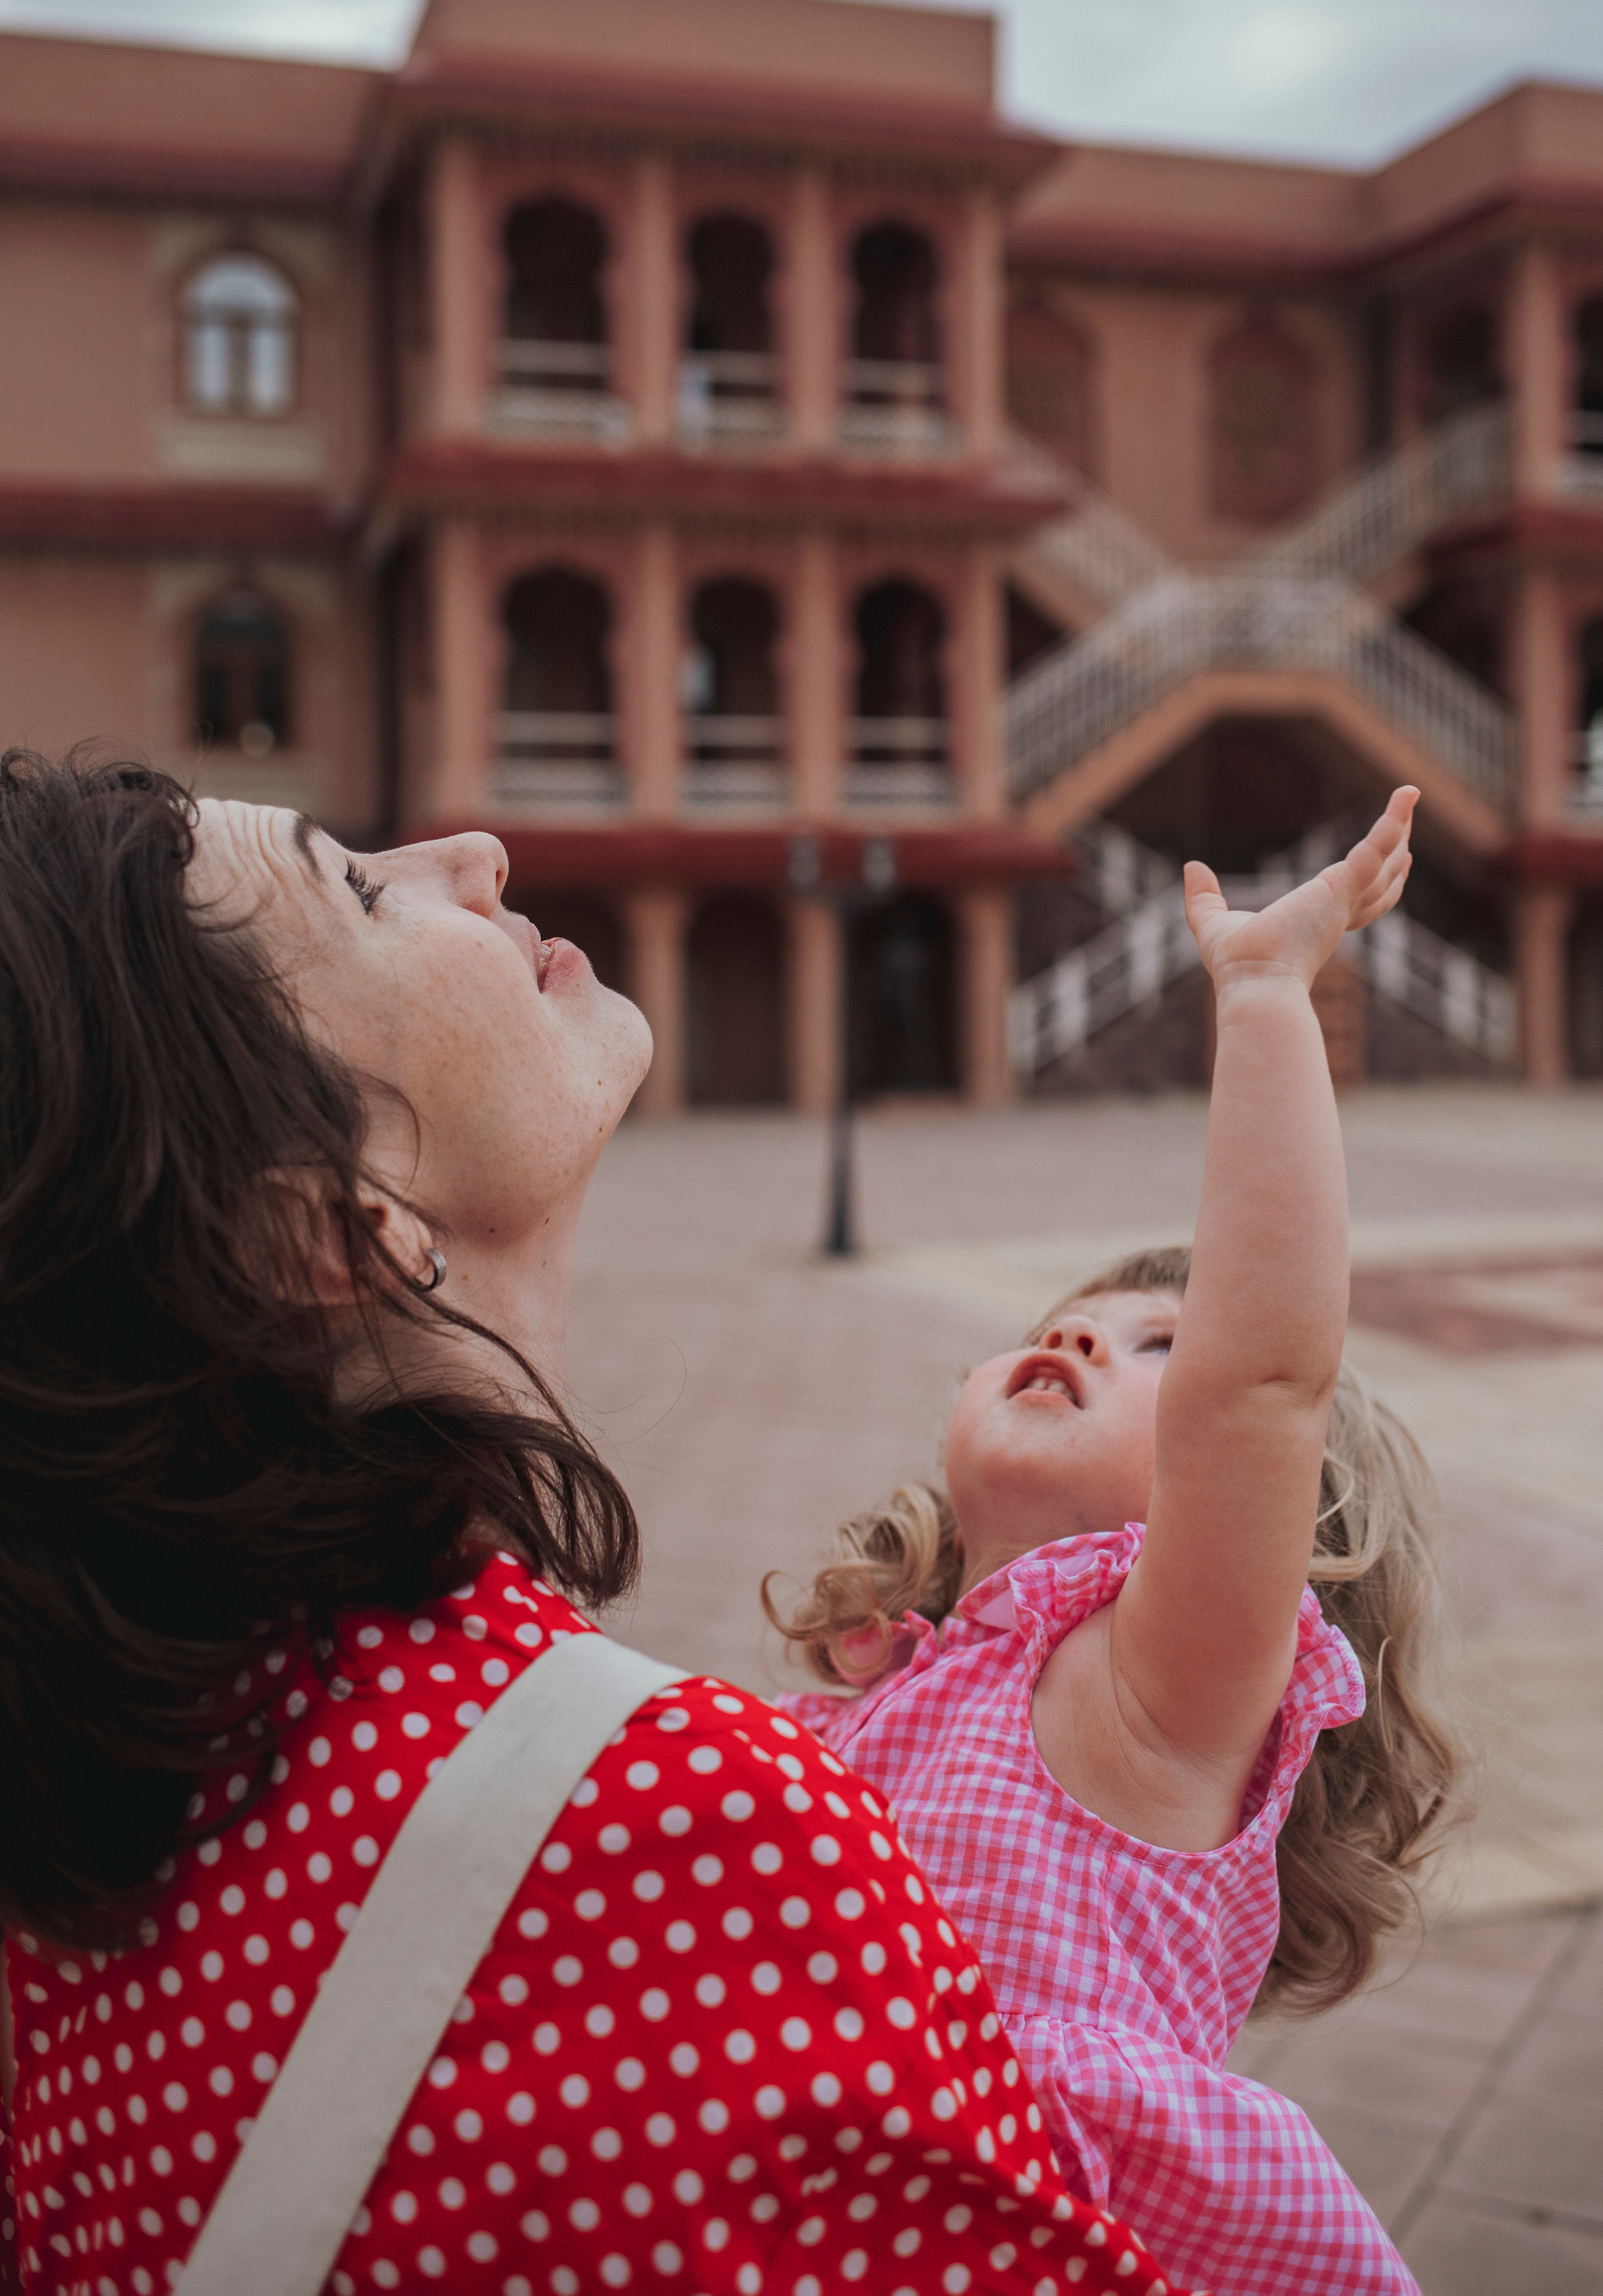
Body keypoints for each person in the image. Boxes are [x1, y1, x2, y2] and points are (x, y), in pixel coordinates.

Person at [0, 748, 1176, 2296]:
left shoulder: (95, 1822)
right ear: (320, 1228)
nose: (471, 850)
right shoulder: (671, 1830)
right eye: (358, 887)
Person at [767, 789, 1471, 2296]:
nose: (1083, 1330)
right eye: (1061, 1325)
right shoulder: (911, 1675)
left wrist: (1269, 997)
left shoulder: (1158, 1691)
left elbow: (1261, 1381)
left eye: (1159, 1345)